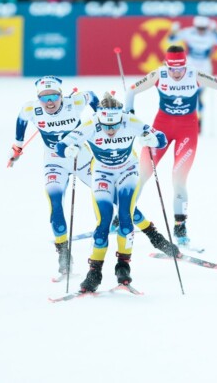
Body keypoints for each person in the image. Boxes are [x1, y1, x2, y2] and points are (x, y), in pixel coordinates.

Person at [124, 45, 217, 246]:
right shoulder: (159, 74)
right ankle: (124, 216)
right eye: (172, 69)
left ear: (186, 65)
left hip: (187, 130)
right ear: (166, 65)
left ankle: (180, 226)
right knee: (142, 173)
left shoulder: (195, 74)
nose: (176, 73)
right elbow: (131, 91)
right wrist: (129, 113)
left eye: (180, 69)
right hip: (161, 129)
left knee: (178, 178)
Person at [55, 93, 168, 292]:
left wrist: (154, 140)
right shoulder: (91, 124)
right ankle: (94, 272)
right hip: (102, 173)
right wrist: (67, 151)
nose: (110, 130)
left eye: (114, 125)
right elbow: (61, 145)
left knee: (125, 219)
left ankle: (123, 266)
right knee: (103, 224)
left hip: (128, 171)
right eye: (106, 126)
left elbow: (162, 138)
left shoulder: (129, 120)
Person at [10, 77, 98, 275]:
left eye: (54, 96)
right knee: (55, 204)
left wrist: (99, 114)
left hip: (81, 158)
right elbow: (21, 119)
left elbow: (92, 96)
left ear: (61, 95)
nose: (49, 102)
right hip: (54, 162)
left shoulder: (75, 102)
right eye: (44, 97)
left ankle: (120, 220)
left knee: (107, 193)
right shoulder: (31, 108)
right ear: (38, 98)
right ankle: (63, 252)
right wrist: (17, 147)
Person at [168, 16, 217, 131]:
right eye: (199, 28)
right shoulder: (188, 32)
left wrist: (216, 31)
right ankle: (185, 119)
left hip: (205, 67)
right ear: (195, 26)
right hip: (190, 64)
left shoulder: (211, 35)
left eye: (203, 28)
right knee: (186, 92)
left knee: (198, 94)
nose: (201, 31)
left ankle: (198, 120)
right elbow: (171, 39)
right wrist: (173, 30)